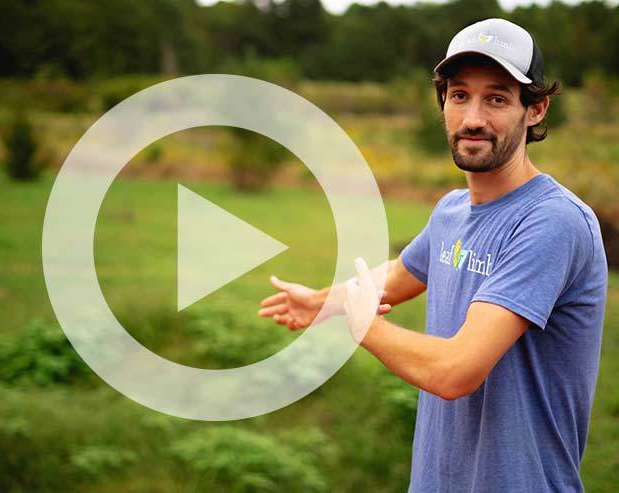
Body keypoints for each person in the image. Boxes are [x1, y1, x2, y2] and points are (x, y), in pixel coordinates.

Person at [258, 18, 608, 493]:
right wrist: (322, 301)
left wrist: (365, 326)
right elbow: (398, 274)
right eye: (459, 95)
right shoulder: (452, 211)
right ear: (443, 102)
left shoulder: (552, 222)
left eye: (498, 98)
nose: (473, 119)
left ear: (536, 109)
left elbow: (455, 370)